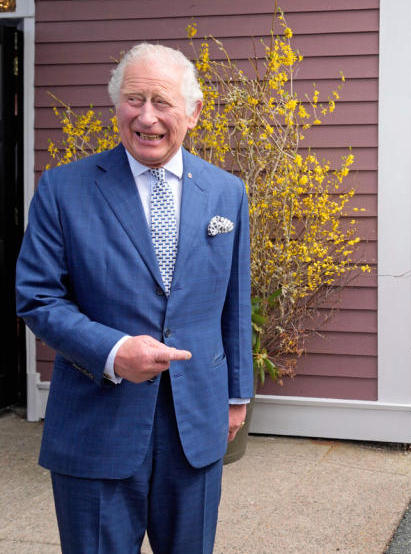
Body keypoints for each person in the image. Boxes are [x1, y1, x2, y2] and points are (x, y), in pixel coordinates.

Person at [15, 43, 253, 553]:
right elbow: (37, 297)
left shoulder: (226, 193)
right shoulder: (63, 189)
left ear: (193, 112)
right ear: (116, 106)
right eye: (133, 100)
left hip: (195, 424)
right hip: (95, 426)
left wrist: (237, 396)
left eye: (162, 102)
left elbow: (235, 302)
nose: (147, 117)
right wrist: (113, 351)